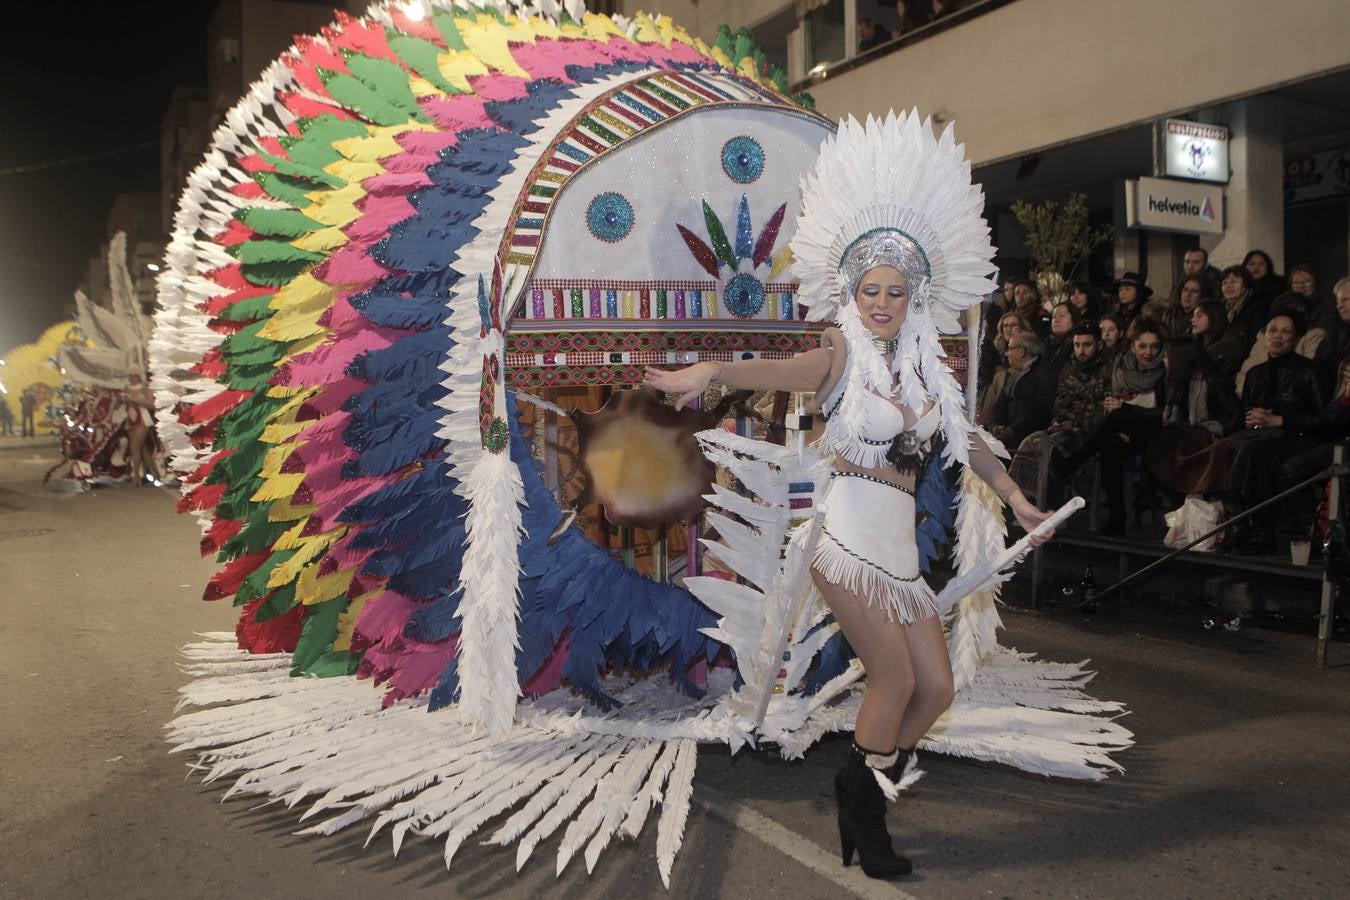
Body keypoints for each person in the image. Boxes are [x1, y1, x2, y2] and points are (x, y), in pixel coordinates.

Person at [646, 112, 1054, 881]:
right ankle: (868, 819)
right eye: (869, 289)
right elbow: (789, 370)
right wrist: (713, 373)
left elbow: (963, 440)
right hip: (847, 539)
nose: (881, 303)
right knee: (894, 679)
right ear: (852, 290)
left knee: (934, 689)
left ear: (914, 295)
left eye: (895, 291)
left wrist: (1015, 496)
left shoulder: (928, 369)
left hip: (899, 552)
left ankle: (855, 782)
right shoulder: (840, 350)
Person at [1056, 320, 1168, 534]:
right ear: (1133, 346)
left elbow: (1163, 409)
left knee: (1118, 414)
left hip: (1156, 431)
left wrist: (1128, 407)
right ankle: (1117, 516)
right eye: (1143, 346)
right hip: (1125, 428)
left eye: (1154, 346)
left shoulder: (1166, 369)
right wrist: (1125, 415)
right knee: (1110, 445)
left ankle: (1073, 463)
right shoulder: (1123, 364)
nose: (1148, 352)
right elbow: (1116, 398)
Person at [1008, 320, 1109, 501]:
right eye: (1077, 345)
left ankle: (1052, 508)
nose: (1081, 350)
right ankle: (1026, 501)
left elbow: (1103, 409)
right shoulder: (1068, 370)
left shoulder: (1107, 371)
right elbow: (1059, 403)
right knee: (1031, 443)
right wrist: (1058, 422)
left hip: (1090, 433)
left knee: (1052, 455)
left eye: (1087, 345)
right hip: (1063, 428)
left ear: (1099, 345)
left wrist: (1076, 423)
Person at [1144, 339, 1242, 498]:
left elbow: (1234, 417)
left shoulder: (1213, 382)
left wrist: (1207, 427)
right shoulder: (1178, 384)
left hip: (1209, 436)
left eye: (1168, 356)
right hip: (1188, 433)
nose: (1164, 360)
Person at [989, 332, 1058, 448]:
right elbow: (1000, 403)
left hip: (1028, 441)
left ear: (1022, 351)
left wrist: (1013, 430)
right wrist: (996, 425)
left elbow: (1041, 410)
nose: (1006, 354)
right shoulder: (1013, 373)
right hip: (1007, 437)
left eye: (1010, 349)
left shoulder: (1044, 373)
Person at [1191, 299, 1244, 384]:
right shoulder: (1198, 343)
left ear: (1214, 317)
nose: (1193, 320)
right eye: (1193, 316)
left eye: (1199, 316)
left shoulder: (1226, 346)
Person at [1217, 263, 1266, 353]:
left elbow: (1255, 343)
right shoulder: (1219, 308)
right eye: (1224, 283)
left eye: (1234, 281)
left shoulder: (1257, 308)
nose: (1228, 286)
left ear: (1246, 284)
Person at [1045, 301, 1081, 372]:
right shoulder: (1045, 343)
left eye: (1062, 316)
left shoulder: (1076, 344)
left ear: (1073, 319)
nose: (1056, 320)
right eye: (1054, 316)